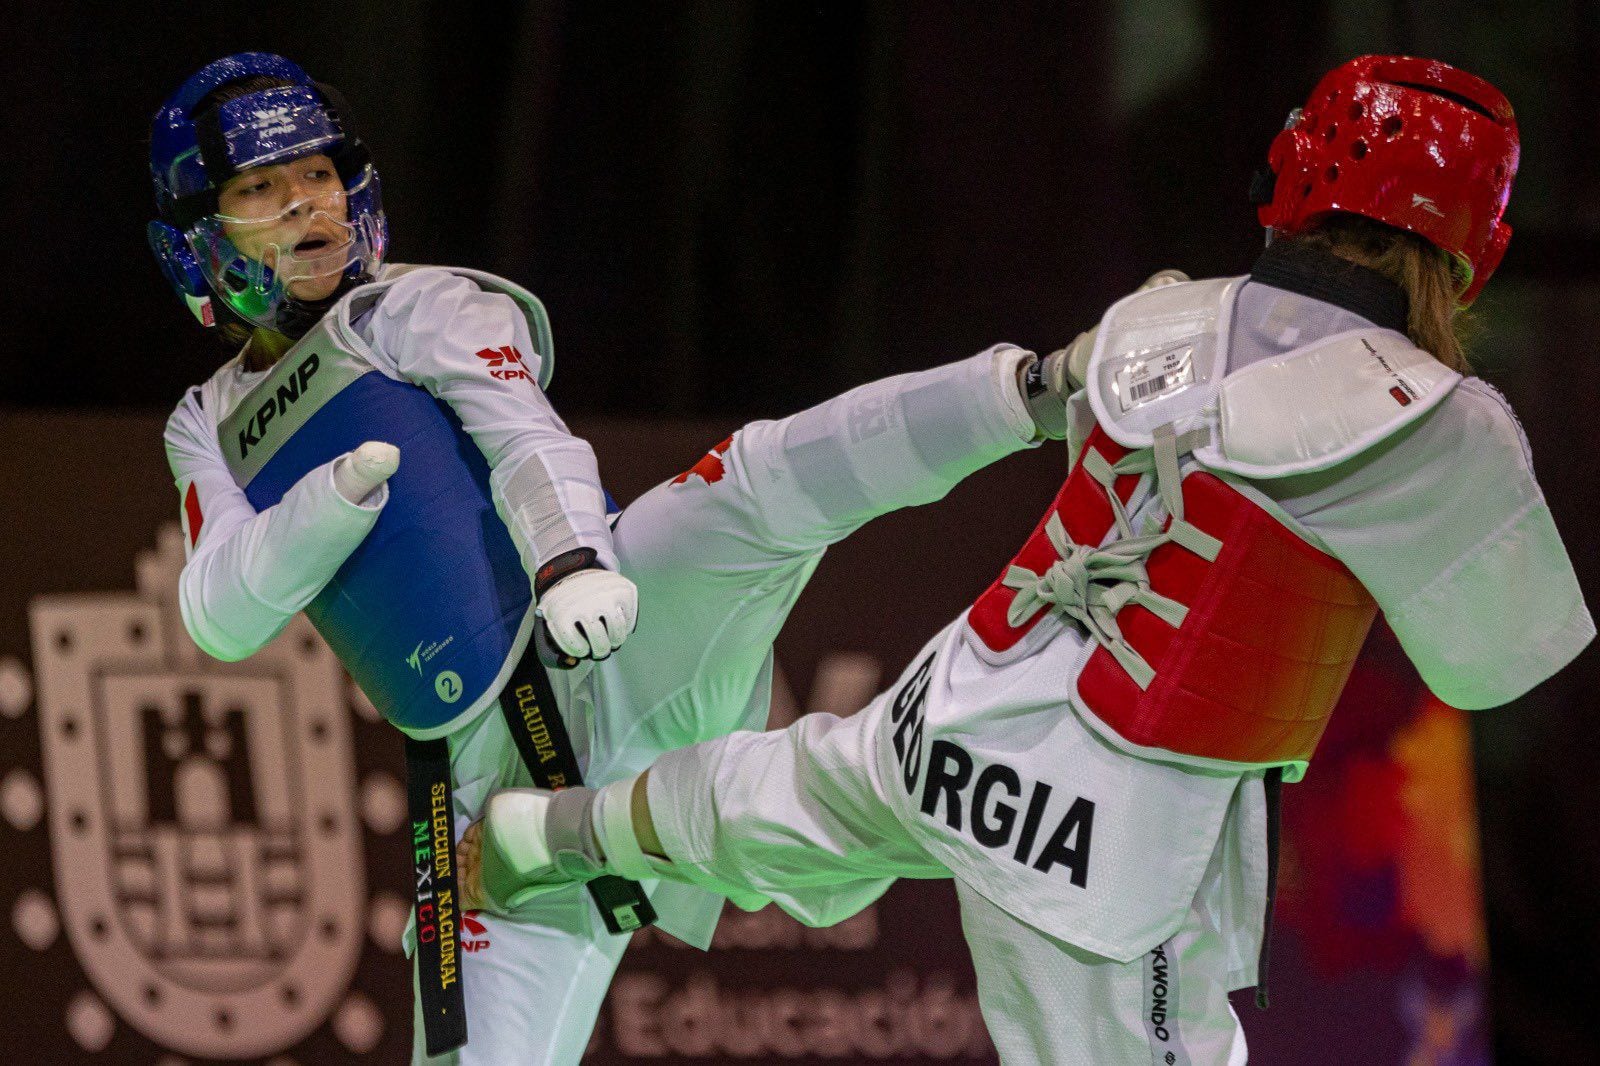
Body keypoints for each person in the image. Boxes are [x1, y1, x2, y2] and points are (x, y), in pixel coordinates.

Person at [463, 55, 1594, 1064]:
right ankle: (544, 838)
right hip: (1107, 821)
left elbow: (1053, 397)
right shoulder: (1443, 423)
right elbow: (1489, 666)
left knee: (783, 797)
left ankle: (539, 832)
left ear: (1291, 178)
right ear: (1475, 248)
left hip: (954, 706)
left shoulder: (1162, 316)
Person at [152, 53, 1087, 1064]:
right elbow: (218, 614)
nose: (304, 204)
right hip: (481, 776)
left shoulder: (418, 308)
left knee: (754, 479)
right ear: (201, 239)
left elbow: (526, 434)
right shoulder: (204, 421)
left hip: (611, 633)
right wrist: (325, 507)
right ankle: (817, 839)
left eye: (319, 175)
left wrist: (568, 563)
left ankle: (1040, 389)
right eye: (262, 187)